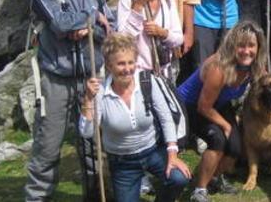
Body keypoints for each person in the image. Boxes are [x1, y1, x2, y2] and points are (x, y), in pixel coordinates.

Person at [24, 0, 115, 202]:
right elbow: (60, 24)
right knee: (49, 145)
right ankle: (37, 197)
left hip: (89, 77)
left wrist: (89, 30)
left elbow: (108, 28)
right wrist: (90, 17)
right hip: (56, 78)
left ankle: (97, 195)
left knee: (93, 142)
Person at [80, 33, 191, 202]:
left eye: (131, 62)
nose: (127, 68)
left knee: (179, 178)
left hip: (153, 152)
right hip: (122, 162)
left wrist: (172, 154)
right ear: (109, 66)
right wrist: (88, 99)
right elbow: (87, 132)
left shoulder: (147, 81)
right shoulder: (100, 92)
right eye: (121, 63)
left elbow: (166, 117)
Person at [176, 20, 268, 202]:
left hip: (217, 103)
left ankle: (214, 178)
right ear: (232, 45)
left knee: (234, 146)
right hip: (189, 106)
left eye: (251, 45)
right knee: (218, 139)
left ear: (259, 47)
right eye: (241, 45)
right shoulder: (219, 67)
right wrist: (225, 124)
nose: (246, 50)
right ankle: (199, 191)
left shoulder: (254, 66)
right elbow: (203, 106)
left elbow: (266, 81)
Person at [117, 0, 183, 81]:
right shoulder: (127, 0)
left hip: (164, 74)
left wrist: (162, 33)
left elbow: (178, 38)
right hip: (136, 75)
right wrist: (137, 7)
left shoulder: (168, 0)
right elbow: (123, 40)